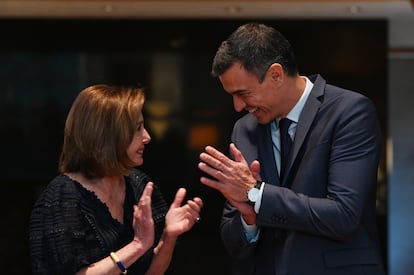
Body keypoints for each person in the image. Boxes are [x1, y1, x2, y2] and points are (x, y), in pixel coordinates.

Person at [198, 22, 385, 274]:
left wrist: (257, 195)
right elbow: (233, 240)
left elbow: (344, 216)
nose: (237, 106)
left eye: (243, 93)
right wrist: (249, 220)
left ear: (276, 74)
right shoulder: (245, 129)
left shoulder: (349, 112)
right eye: (231, 95)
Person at [29, 84, 203, 275]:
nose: (147, 137)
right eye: (138, 129)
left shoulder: (138, 184)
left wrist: (168, 237)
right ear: (107, 135)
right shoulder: (63, 196)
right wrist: (137, 246)